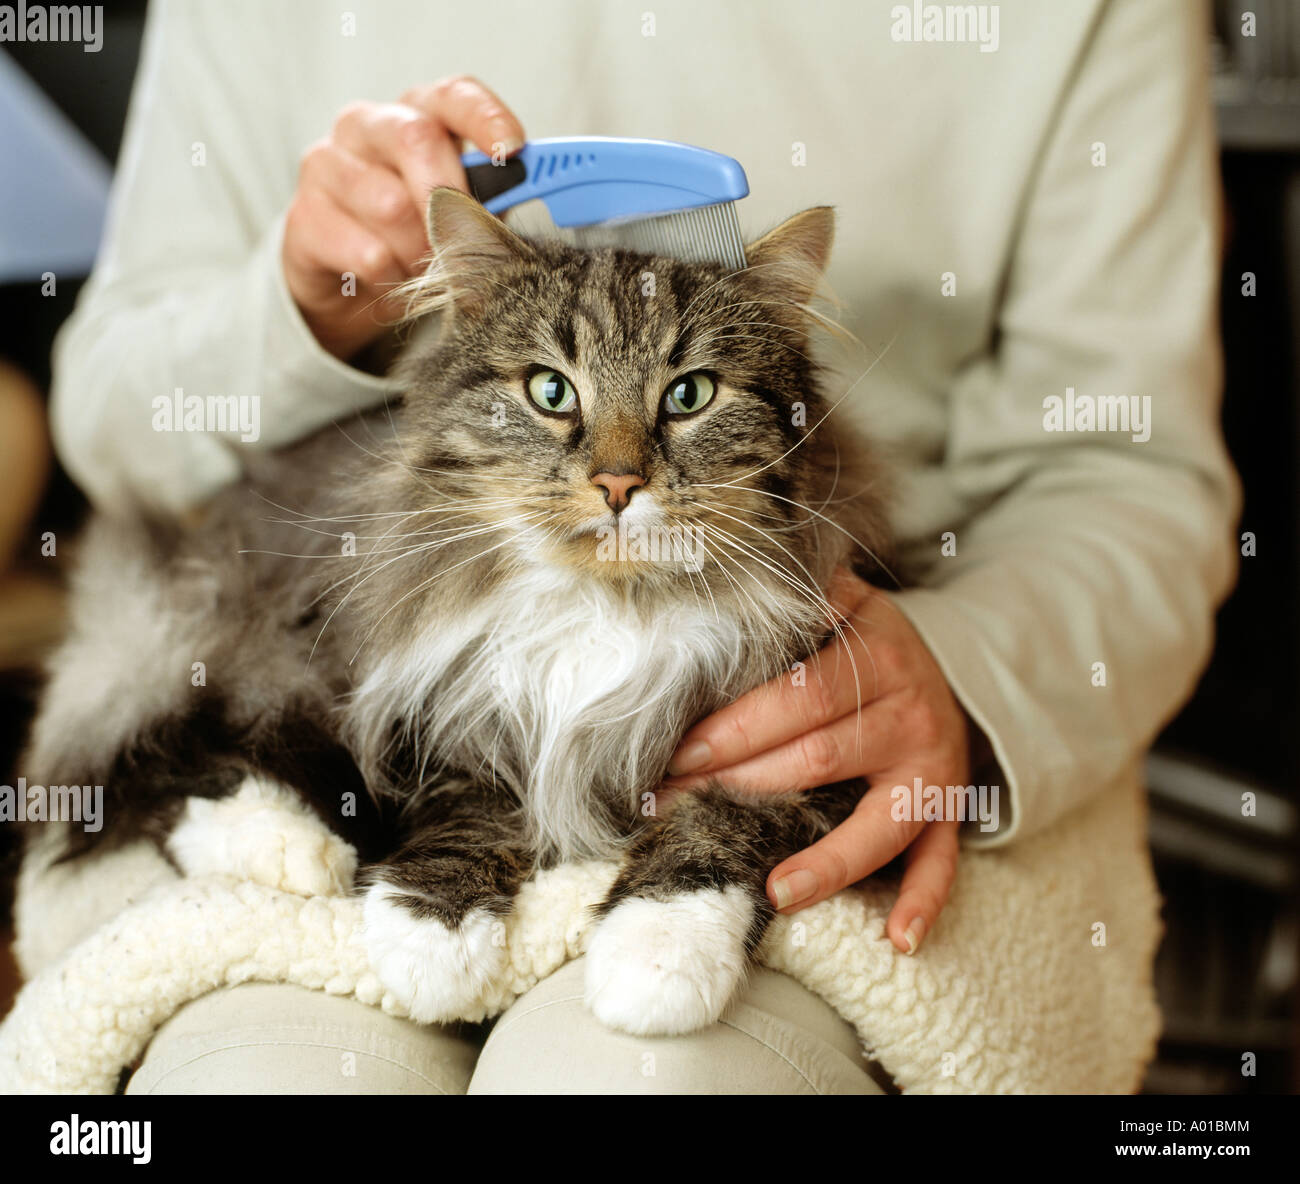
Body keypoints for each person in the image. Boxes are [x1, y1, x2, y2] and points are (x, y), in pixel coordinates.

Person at [39, 0, 1237, 1094]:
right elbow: (109, 425)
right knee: (264, 1078)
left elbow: (1131, 468)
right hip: (362, 607)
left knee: (652, 1074)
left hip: (881, 637)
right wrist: (300, 310)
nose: (617, 472)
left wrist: (970, 679)